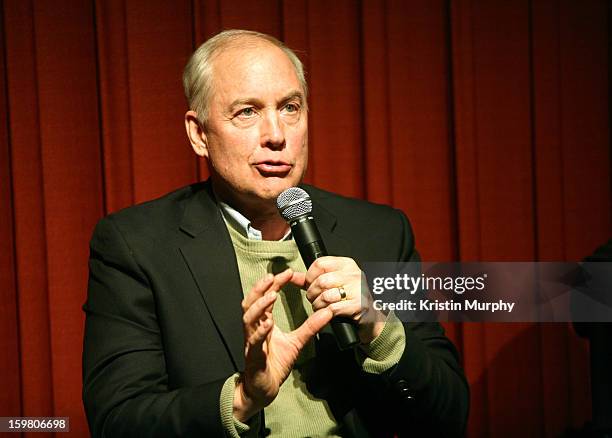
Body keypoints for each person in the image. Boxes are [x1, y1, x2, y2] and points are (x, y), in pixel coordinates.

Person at [83, 29, 469, 437]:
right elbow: (118, 421)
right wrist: (244, 397)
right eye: (247, 112)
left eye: (290, 108)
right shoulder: (136, 245)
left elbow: (448, 415)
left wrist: (379, 329)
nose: (276, 135)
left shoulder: (380, 232)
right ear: (199, 134)